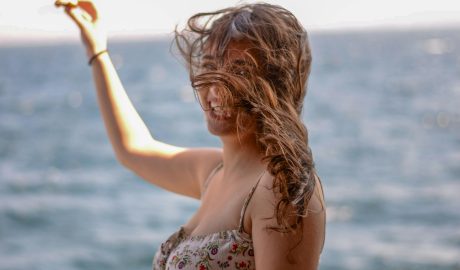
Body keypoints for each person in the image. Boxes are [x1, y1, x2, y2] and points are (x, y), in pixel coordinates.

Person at [56, 1, 326, 269]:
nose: (216, 88)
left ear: (277, 83)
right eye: (209, 66)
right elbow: (133, 148)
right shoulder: (215, 172)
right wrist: (98, 50)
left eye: (240, 71)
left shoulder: (281, 189)